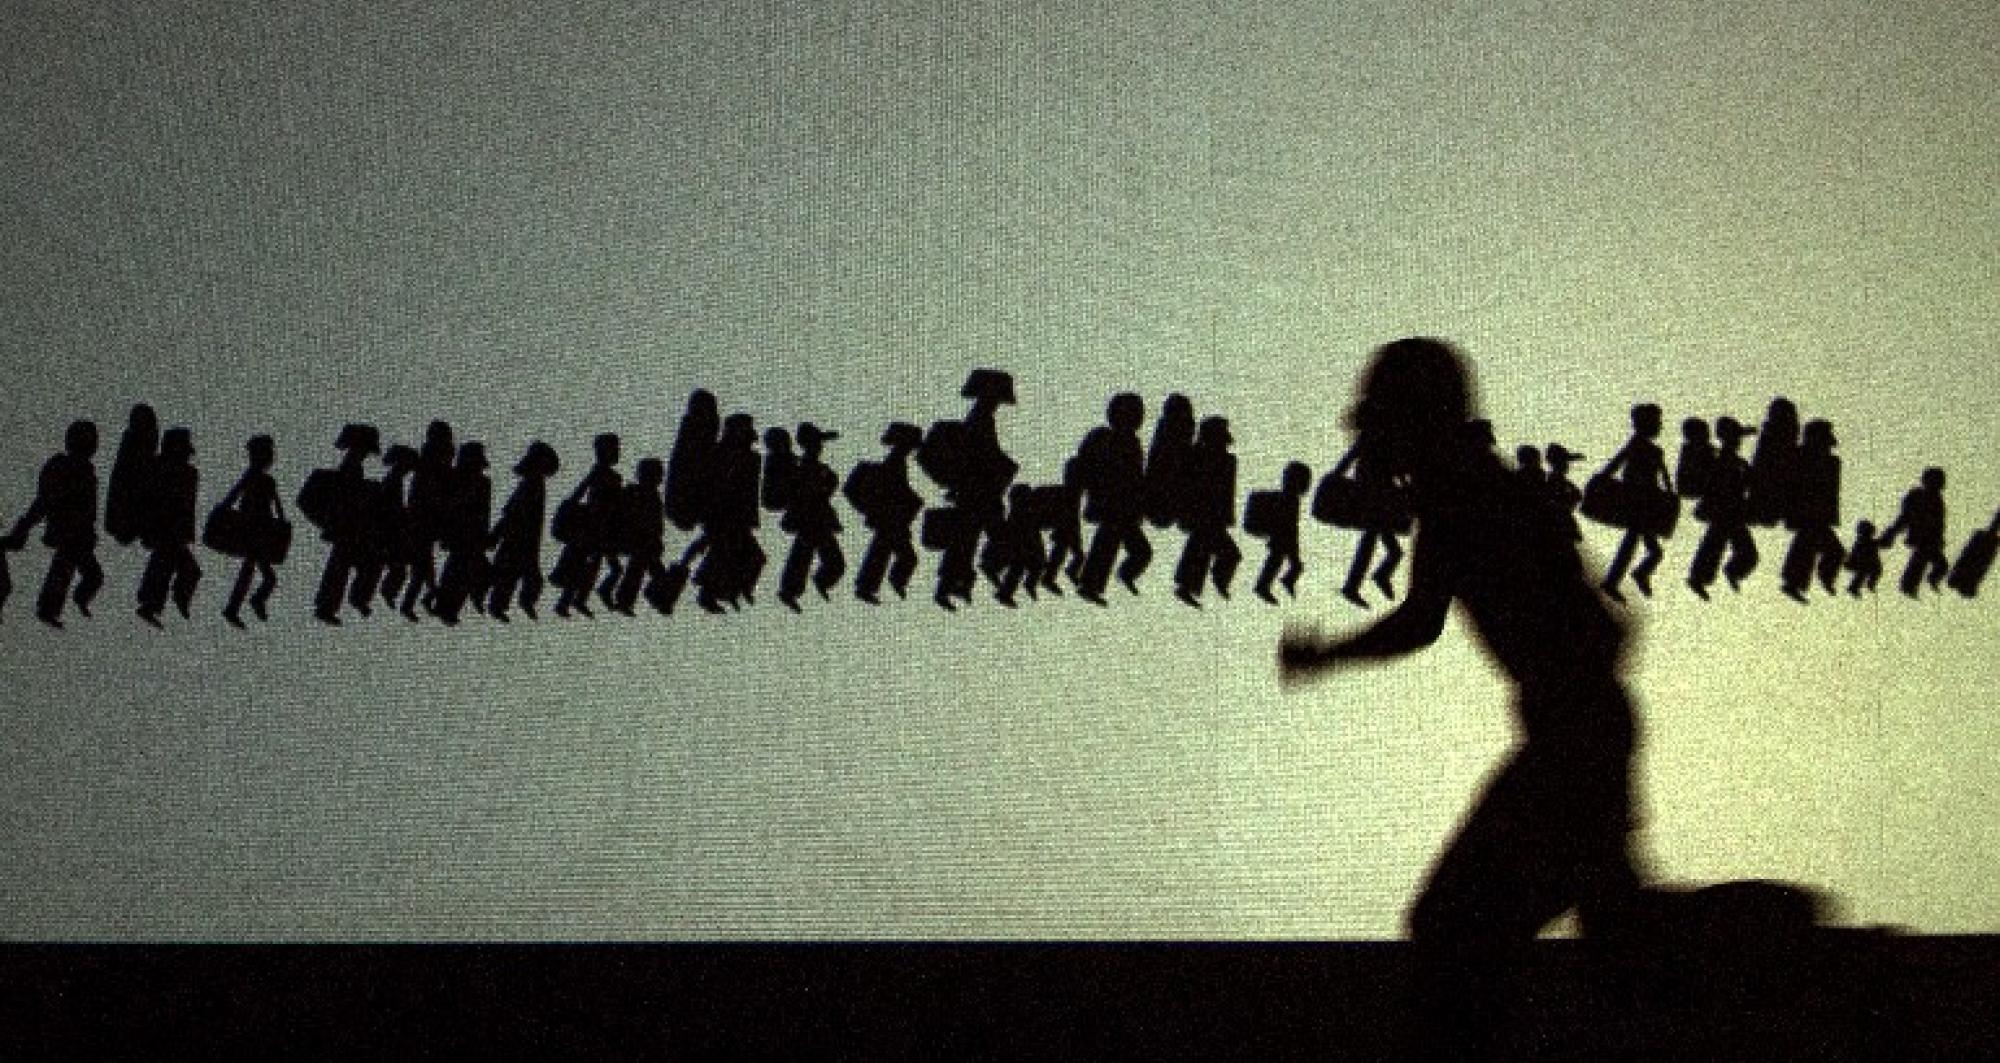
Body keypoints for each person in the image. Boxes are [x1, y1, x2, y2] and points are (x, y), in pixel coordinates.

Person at [1278, 338, 1648, 1054]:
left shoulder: (1463, 496)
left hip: (1572, 739)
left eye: (1379, 420)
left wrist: (1325, 656)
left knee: (1456, 926)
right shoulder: (1477, 488)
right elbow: (1606, 628)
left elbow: (1421, 622)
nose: (1366, 439)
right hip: (1583, 731)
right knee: (1611, 940)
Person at [918, 369, 1017, 610]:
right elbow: (981, 456)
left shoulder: (980, 418)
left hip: (976, 493)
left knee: (966, 542)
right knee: (979, 539)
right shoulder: (980, 419)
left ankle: (955, 585)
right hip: (980, 493)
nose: (997, 402)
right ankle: (968, 578)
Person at [7, 420, 104, 628]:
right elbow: (44, 502)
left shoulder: (84, 471)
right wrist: (24, 527)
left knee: (82, 574)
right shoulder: (67, 469)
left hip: (78, 535)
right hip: (69, 533)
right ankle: (49, 609)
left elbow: (87, 509)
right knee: (66, 572)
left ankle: (65, 604)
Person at [1073, 393, 1151, 605]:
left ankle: (1117, 577)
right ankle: (1091, 585)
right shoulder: (1107, 440)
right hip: (1113, 508)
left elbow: (1136, 478)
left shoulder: (1131, 443)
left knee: (1137, 551)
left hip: (1124, 510)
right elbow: (1094, 471)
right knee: (1107, 547)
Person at [1595, 404, 1676, 602]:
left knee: (1645, 547)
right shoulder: (1636, 446)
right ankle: (1619, 580)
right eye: (1657, 422)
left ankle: (1624, 578)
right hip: (1637, 503)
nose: (1660, 426)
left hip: (1647, 503)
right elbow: (1617, 463)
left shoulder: (1654, 450)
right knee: (1639, 546)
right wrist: (1603, 478)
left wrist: (1669, 492)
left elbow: (1663, 475)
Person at [303, 423, 381, 625]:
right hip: (347, 528)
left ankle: (335, 604)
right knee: (343, 567)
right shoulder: (350, 467)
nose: (365, 454)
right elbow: (347, 492)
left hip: (349, 528)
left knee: (344, 567)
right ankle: (333, 605)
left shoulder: (354, 467)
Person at [846, 422, 926, 605]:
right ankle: (881, 584)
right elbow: (895, 488)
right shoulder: (896, 463)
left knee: (882, 552)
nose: (911, 450)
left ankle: (869, 586)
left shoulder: (897, 462)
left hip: (891, 520)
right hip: (891, 519)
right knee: (899, 556)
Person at [1685, 417, 1759, 599]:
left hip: (1730, 512)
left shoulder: (1734, 461)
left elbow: (1746, 483)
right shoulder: (1723, 460)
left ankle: (1712, 575)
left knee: (1719, 547)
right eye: (1736, 437)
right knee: (1718, 547)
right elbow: (1723, 485)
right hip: (1724, 512)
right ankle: (1702, 577)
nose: (1739, 441)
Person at [551, 433, 623, 618]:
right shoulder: (599, 474)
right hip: (593, 528)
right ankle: (570, 601)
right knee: (586, 567)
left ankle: (575, 600)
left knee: (598, 567)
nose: (618, 452)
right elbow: (581, 492)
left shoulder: (612, 476)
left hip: (604, 528)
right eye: (614, 449)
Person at [1171, 415, 1240, 607]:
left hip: (1211, 517)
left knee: (1203, 551)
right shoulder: (1197, 456)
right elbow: (1187, 485)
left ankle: (1190, 587)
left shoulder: (1225, 460)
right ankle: (1198, 585)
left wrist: (1226, 516)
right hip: (1204, 516)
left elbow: (1227, 492)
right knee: (1213, 552)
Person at [134, 427, 201, 626]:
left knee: (167, 567)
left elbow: (187, 508)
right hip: (166, 532)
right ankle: (156, 603)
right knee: (168, 567)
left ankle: (155, 603)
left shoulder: (184, 473)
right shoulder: (163, 470)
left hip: (172, 533)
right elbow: (152, 502)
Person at [486, 441, 558, 622]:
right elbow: (511, 513)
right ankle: (499, 605)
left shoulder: (534, 484)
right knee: (511, 575)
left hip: (526, 539)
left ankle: (507, 604)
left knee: (521, 576)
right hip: (518, 538)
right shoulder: (531, 485)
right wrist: (498, 533)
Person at [776, 423, 845, 612]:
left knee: (810, 557)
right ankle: (791, 591)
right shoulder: (801, 468)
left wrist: (829, 481)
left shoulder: (815, 468)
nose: (820, 447)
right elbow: (804, 493)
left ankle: (797, 589)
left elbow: (825, 491)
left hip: (817, 519)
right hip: (809, 519)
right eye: (817, 443)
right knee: (806, 557)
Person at [1778, 420, 1844, 602]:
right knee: (1812, 549)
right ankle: (1796, 583)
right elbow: (1791, 485)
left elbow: (1830, 493)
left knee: (1816, 549)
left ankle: (1800, 582)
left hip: (1818, 516)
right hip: (1808, 515)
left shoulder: (1829, 462)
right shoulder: (1800, 457)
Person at [431, 441, 492, 625]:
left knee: (463, 571)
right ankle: (446, 606)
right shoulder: (456, 479)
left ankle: (444, 605)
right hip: (460, 536)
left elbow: (484, 513)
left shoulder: (481, 483)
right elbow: (446, 507)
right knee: (461, 572)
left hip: (471, 537)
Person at [1879, 467, 1949, 598]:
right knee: (1923, 562)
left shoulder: (1937, 500)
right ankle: (1908, 587)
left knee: (1935, 564)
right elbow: (1904, 517)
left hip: (1931, 539)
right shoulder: (1917, 496)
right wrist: (1891, 533)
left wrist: (1939, 539)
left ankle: (1913, 585)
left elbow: (1939, 523)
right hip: (1922, 538)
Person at [1247, 461, 1311, 605]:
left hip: (1283, 538)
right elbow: (1290, 524)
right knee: (1281, 562)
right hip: (1284, 538)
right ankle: (1266, 585)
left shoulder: (1289, 498)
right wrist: (1293, 545)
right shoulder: (1290, 500)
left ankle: (1275, 583)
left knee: (1281, 562)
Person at [1843, 519, 1884, 597]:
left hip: (1865, 564)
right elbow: (1855, 554)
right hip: (1861, 563)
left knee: (1868, 573)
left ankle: (1863, 585)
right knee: (1864, 573)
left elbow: (1879, 544)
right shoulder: (1864, 542)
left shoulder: (1867, 542)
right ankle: (1856, 587)